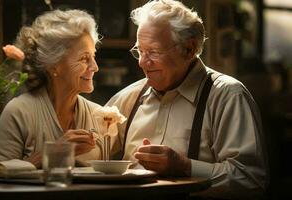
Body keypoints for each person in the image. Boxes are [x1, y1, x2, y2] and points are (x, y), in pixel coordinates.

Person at [107, 0, 267, 199]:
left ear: (189, 49)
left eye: (154, 52)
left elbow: (249, 179)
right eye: (140, 51)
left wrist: (185, 167)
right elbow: (94, 155)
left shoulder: (227, 96)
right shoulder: (128, 98)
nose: (142, 62)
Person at [0, 9, 102, 168]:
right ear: (53, 66)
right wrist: (52, 153)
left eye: (93, 56)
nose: (95, 67)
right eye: (84, 58)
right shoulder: (19, 112)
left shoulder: (99, 116)